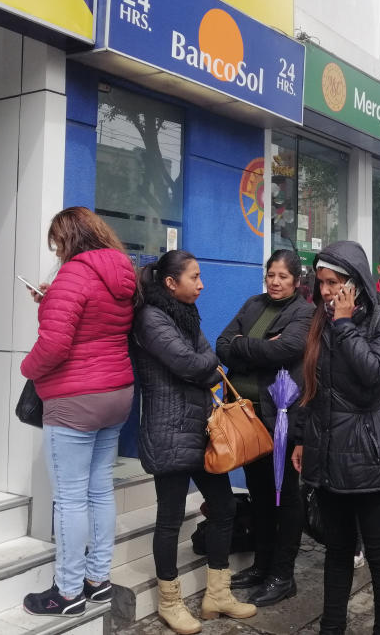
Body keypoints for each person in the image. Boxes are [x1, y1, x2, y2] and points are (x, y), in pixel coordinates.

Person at [132, 250, 257, 634]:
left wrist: (207, 368)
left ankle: (217, 593)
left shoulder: (186, 315)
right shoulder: (151, 317)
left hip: (201, 429)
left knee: (223, 508)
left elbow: (208, 359)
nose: (202, 284)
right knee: (169, 520)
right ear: (171, 283)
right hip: (169, 431)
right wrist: (208, 369)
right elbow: (194, 364)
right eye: (194, 277)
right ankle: (170, 601)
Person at [20, 207, 136, 616]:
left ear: (67, 239)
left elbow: (53, 346)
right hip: (117, 391)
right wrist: (49, 300)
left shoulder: (73, 273)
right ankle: (97, 581)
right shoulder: (122, 272)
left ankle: (67, 593)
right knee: (99, 488)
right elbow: (95, 323)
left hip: (76, 398)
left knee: (69, 498)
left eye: (56, 243)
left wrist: (26, 369)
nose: (55, 251)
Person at [292, 241, 380, 635]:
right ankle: (332, 627)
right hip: (328, 460)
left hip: (373, 459)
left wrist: (344, 325)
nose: (324, 291)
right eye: (320, 282)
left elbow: (374, 375)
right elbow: (313, 388)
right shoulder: (319, 322)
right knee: (337, 553)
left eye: (333, 282)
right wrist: (302, 439)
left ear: (355, 283)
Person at [215, 250, 314, 607]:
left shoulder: (304, 311)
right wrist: (255, 347)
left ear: (296, 280)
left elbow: (288, 349)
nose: (274, 282)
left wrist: (245, 348)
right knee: (259, 493)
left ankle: (282, 575)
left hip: (281, 418)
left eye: (283, 277)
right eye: (271, 274)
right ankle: (261, 564)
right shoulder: (253, 303)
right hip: (246, 417)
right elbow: (222, 345)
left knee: (284, 496)